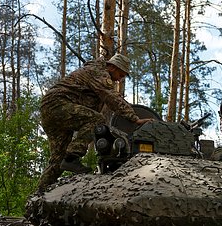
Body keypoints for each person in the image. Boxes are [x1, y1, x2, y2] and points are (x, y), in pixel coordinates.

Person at [37, 53, 152, 191]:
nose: (119, 80)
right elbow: (111, 97)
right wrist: (135, 118)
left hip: (51, 110)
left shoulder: (96, 73)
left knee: (57, 161)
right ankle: (72, 156)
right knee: (97, 119)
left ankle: (38, 196)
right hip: (58, 105)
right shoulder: (99, 72)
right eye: (121, 75)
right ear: (113, 68)